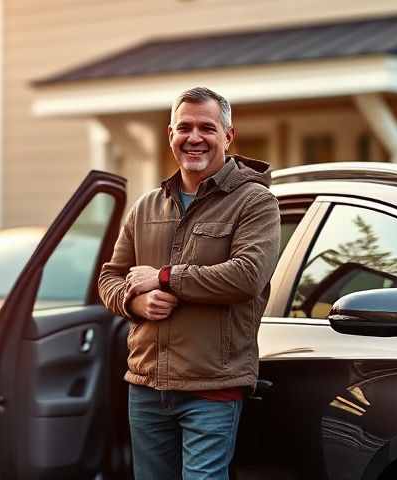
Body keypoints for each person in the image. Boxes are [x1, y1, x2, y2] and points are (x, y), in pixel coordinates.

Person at [98, 86, 281, 480]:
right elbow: (109, 277)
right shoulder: (146, 206)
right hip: (147, 387)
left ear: (228, 136)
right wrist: (134, 305)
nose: (194, 138)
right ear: (170, 135)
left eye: (207, 128)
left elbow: (246, 276)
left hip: (211, 388)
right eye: (184, 127)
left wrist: (164, 278)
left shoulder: (255, 202)